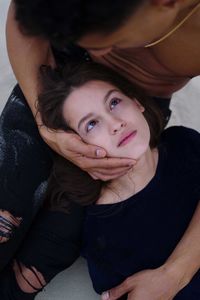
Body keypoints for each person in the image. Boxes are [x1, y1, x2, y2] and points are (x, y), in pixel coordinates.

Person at [0, 0, 199, 299]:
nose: (104, 55)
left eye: (113, 40)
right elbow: (25, 14)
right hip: (56, 81)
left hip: (138, 102)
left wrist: (175, 273)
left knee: (52, 244)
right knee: (8, 199)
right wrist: (45, 125)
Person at [37, 61, 200, 300]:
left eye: (114, 102)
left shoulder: (182, 142)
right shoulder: (101, 232)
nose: (115, 124)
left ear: (136, 102)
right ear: (79, 150)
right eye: (91, 124)